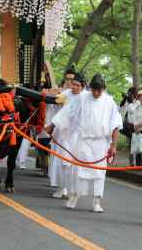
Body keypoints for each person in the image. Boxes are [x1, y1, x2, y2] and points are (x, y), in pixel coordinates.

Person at [48, 74, 122, 212]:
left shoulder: (110, 102)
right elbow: (68, 112)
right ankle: (74, 196)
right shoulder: (82, 98)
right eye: (93, 90)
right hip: (83, 141)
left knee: (99, 173)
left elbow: (115, 125)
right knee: (78, 171)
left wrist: (114, 146)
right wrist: (53, 125)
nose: (95, 93)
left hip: (101, 143)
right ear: (90, 88)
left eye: (98, 90)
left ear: (104, 89)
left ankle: (97, 201)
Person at [49, 72, 87, 199]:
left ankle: (72, 189)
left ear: (83, 87)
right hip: (64, 133)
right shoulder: (66, 94)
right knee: (63, 162)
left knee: (74, 164)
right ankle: (62, 188)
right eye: (73, 84)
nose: (74, 87)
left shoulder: (86, 98)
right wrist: (51, 94)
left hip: (78, 135)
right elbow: (58, 103)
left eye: (77, 85)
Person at [128, 90, 142, 166]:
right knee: (138, 148)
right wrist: (136, 126)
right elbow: (133, 117)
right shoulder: (136, 107)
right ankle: (138, 166)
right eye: (139, 96)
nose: (141, 98)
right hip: (138, 130)